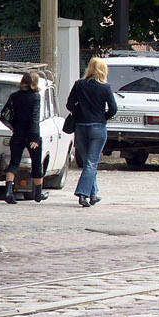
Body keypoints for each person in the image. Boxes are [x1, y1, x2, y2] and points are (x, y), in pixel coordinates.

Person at [66, 57, 118, 208]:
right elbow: (113, 109)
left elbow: (69, 104)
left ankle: (93, 195)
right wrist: (104, 117)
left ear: (89, 68)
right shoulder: (105, 87)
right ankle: (83, 194)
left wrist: (79, 112)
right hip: (98, 127)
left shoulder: (79, 84)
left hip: (81, 126)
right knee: (91, 163)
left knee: (88, 163)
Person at [0, 71, 46, 204]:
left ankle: (8, 192)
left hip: (17, 134)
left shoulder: (14, 96)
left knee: (14, 163)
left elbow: (4, 114)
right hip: (31, 135)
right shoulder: (35, 97)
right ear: (35, 83)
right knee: (36, 164)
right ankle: (38, 193)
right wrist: (35, 138)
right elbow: (34, 118)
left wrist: (13, 126)